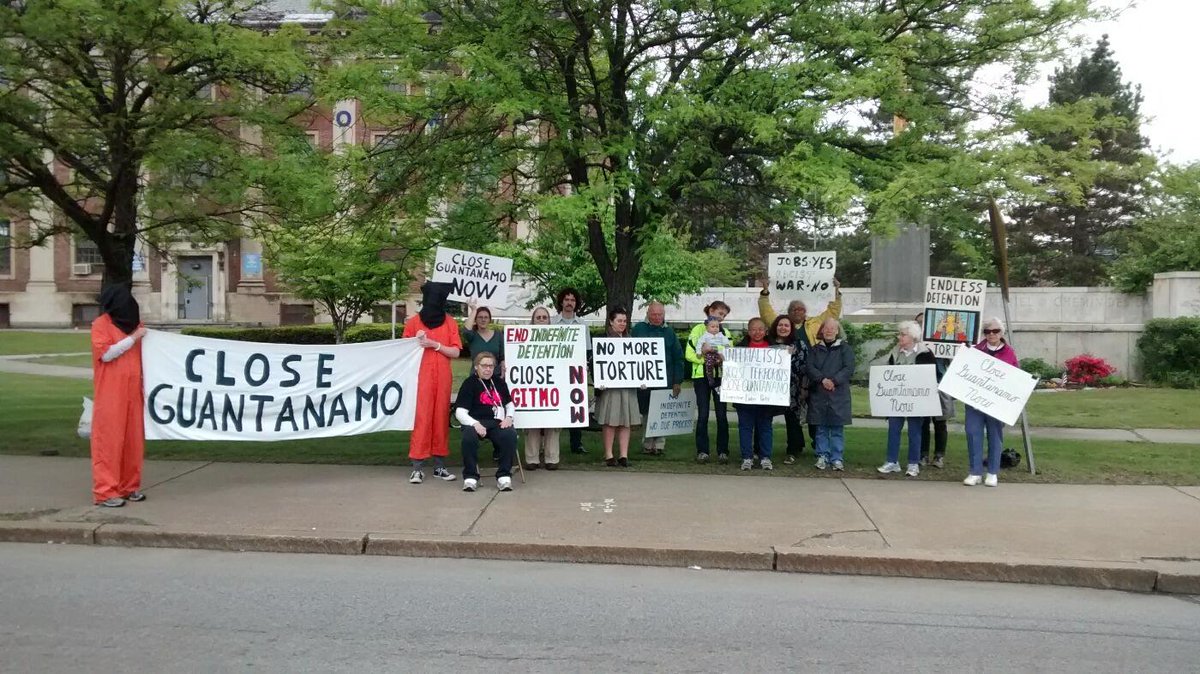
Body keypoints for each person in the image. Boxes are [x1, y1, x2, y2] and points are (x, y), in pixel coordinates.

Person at [759, 278, 843, 451]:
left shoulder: (814, 323)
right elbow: (766, 313)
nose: (798, 311)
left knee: (814, 410)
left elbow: (832, 313)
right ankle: (795, 446)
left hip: (812, 374)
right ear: (789, 312)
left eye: (801, 309)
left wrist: (836, 292)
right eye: (794, 309)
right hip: (789, 377)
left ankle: (816, 442)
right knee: (792, 412)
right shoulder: (782, 324)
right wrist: (765, 292)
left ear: (806, 312)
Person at [89, 284, 148, 508]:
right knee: (109, 442)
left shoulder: (135, 326)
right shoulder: (101, 325)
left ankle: (128, 486)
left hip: (134, 391)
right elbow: (106, 354)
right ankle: (105, 491)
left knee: (132, 441)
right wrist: (133, 338)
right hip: (110, 393)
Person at [403, 281, 462, 485]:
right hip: (421, 379)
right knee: (422, 419)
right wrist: (414, 342)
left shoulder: (450, 323)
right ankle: (417, 467)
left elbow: (455, 351)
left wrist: (435, 344)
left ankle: (439, 466)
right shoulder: (413, 323)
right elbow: (402, 352)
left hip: (442, 378)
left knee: (439, 420)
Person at [964, 317, 1019, 488]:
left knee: (995, 436)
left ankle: (993, 472)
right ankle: (975, 472)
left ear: (1001, 333)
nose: (991, 334)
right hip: (974, 402)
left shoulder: (1009, 353)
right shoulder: (975, 350)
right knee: (973, 434)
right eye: (987, 331)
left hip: (997, 404)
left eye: (995, 331)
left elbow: (1015, 378)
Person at [877, 321, 934, 478]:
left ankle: (913, 463)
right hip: (897, 400)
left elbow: (932, 377)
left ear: (913, 337)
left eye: (903, 334)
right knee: (894, 428)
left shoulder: (925, 353)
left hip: (916, 401)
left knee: (915, 431)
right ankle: (892, 461)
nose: (899, 337)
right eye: (899, 334)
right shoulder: (895, 353)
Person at [455, 351, 518, 492]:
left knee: (510, 434)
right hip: (475, 422)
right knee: (468, 437)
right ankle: (470, 478)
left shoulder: (499, 382)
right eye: (484, 366)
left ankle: (504, 476)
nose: (488, 369)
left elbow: (509, 404)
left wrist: (509, 417)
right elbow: (459, 412)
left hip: (496, 423)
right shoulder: (469, 383)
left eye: (491, 366)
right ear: (476, 366)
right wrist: (475, 424)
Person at [631, 301, 684, 456]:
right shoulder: (638, 329)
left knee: (661, 412)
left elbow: (678, 358)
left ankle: (659, 444)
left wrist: (677, 381)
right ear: (648, 314)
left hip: (665, 380)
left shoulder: (669, 332)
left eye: (660, 314)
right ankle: (647, 444)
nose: (657, 317)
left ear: (664, 314)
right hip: (644, 381)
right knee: (647, 412)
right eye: (654, 314)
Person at [594, 308, 643, 467]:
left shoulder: (631, 340)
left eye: (624, 321)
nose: (622, 324)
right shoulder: (602, 340)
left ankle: (623, 455)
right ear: (611, 321)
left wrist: (642, 379)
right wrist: (598, 380)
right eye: (619, 321)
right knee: (610, 420)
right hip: (610, 388)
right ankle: (608, 454)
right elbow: (595, 364)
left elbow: (639, 364)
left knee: (625, 421)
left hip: (628, 387)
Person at [685, 301, 733, 464]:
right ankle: (702, 451)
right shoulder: (698, 330)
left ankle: (723, 451)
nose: (721, 318)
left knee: (721, 414)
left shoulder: (725, 332)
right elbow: (689, 354)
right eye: (720, 314)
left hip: (719, 376)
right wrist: (703, 358)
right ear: (710, 311)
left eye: (724, 316)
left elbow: (730, 352)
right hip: (701, 377)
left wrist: (722, 359)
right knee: (703, 414)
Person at [807, 318, 855, 471]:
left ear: (837, 331)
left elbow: (848, 368)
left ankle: (837, 458)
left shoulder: (845, 349)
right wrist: (822, 379)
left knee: (836, 429)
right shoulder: (814, 349)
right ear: (821, 330)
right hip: (819, 393)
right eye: (826, 328)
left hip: (838, 394)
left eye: (832, 328)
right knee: (820, 428)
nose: (829, 331)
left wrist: (834, 381)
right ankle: (822, 455)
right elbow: (809, 367)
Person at [733, 318, 777, 471]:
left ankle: (765, 457)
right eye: (753, 329)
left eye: (760, 329)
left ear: (765, 331)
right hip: (745, 396)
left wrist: (787, 354)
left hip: (766, 396)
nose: (757, 332)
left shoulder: (775, 349)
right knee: (745, 427)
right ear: (748, 331)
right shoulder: (739, 348)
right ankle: (747, 457)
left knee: (765, 427)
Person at [551, 287, 590, 454]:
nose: (569, 303)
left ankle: (577, 444)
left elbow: (587, 350)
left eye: (572, 300)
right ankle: (551, 445)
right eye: (566, 300)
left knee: (576, 406)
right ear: (561, 301)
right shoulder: (551, 323)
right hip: (555, 371)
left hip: (575, 374)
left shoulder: (582, 325)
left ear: (576, 304)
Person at [523, 306, 561, 470]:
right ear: (533, 320)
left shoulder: (558, 339)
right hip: (531, 386)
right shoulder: (523, 339)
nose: (541, 320)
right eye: (538, 318)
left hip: (553, 385)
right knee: (532, 422)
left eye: (544, 317)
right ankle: (532, 458)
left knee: (553, 422)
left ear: (549, 320)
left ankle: (552, 457)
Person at [915, 312, 955, 468]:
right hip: (921, 384)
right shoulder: (915, 344)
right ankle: (923, 454)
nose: (921, 326)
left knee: (940, 422)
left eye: (924, 323)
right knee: (923, 422)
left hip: (939, 383)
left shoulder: (942, 341)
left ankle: (939, 455)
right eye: (918, 323)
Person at [768, 315, 809, 465]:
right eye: (780, 325)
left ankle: (793, 450)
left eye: (786, 325)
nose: (783, 328)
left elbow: (806, 367)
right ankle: (761, 450)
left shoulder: (799, 344)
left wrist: (805, 387)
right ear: (775, 327)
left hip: (793, 388)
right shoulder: (768, 343)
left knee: (792, 420)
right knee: (765, 418)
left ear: (791, 328)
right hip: (771, 388)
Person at [463, 305, 503, 376]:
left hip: (495, 376)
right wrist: (474, 310)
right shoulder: (472, 336)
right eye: (480, 317)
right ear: (475, 319)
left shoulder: (498, 335)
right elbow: (466, 330)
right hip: (476, 376)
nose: (483, 320)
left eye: (486, 317)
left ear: (490, 320)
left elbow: (503, 357)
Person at [695, 317, 731, 392]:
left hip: (718, 354)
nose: (715, 329)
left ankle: (725, 377)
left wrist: (727, 345)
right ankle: (710, 379)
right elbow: (699, 344)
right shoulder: (705, 336)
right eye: (712, 327)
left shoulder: (721, 335)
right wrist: (698, 352)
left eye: (717, 327)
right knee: (709, 365)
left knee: (723, 364)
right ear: (707, 328)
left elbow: (726, 342)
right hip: (709, 354)